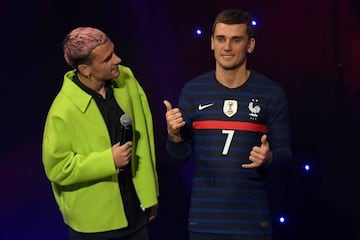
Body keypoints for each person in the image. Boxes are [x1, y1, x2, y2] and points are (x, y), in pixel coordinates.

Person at [163, 9, 292, 240]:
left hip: (252, 223)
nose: (227, 47)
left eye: (236, 40)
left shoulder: (271, 93)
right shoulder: (193, 91)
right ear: (212, 43)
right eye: (221, 39)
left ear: (250, 45)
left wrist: (269, 157)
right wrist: (174, 135)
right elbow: (179, 156)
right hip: (205, 222)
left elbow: (286, 154)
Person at [42, 27, 159, 240]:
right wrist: (108, 161)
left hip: (135, 212)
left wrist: (150, 194)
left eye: (113, 52)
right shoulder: (62, 111)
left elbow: (145, 137)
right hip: (95, 225)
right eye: (107, 59)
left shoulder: (126, 79)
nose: (118, 59)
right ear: (85, 69)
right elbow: (57, 169)